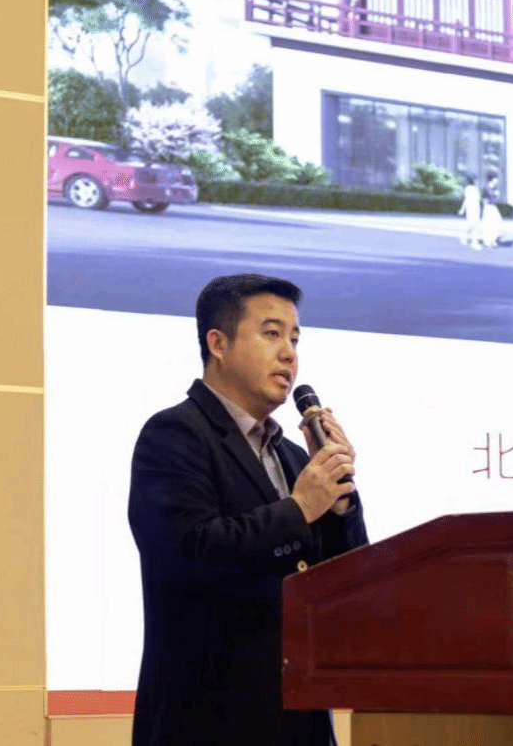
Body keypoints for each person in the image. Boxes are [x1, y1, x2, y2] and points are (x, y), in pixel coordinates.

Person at [128, 273, 369, 746]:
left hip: (299, 722)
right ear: (218, 343)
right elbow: (188, 553)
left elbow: (347, 583)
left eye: (295, 338)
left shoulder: (294, 458)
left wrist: (339, 500)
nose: (289, 354)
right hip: (208, 723)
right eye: (272, 333)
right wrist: (299, 508)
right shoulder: (175, 435)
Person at [480, 171, 504, 248]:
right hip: (488, 207)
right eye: (496, 178)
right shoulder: (486, 188)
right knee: (488, 224)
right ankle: (488, 241)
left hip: (493, 207)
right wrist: (486, 209)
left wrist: (497, 196)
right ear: (492, 179)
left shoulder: (494, 188)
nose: (497, 180)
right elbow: (484, 200)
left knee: (497, 222)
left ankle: (493, 239)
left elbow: (495, 200)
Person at [458, 175, 482, 249]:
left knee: (476, 225)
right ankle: (471, 240)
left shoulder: (476, 188)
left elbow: (478, 199)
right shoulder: (468, 188)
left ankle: (472, 241)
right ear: (472, 180)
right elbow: (466, 200)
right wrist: (462, 209)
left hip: (477, 208)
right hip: (470, 208)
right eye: (476, 180)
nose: (477, 181)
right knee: (471, 224)